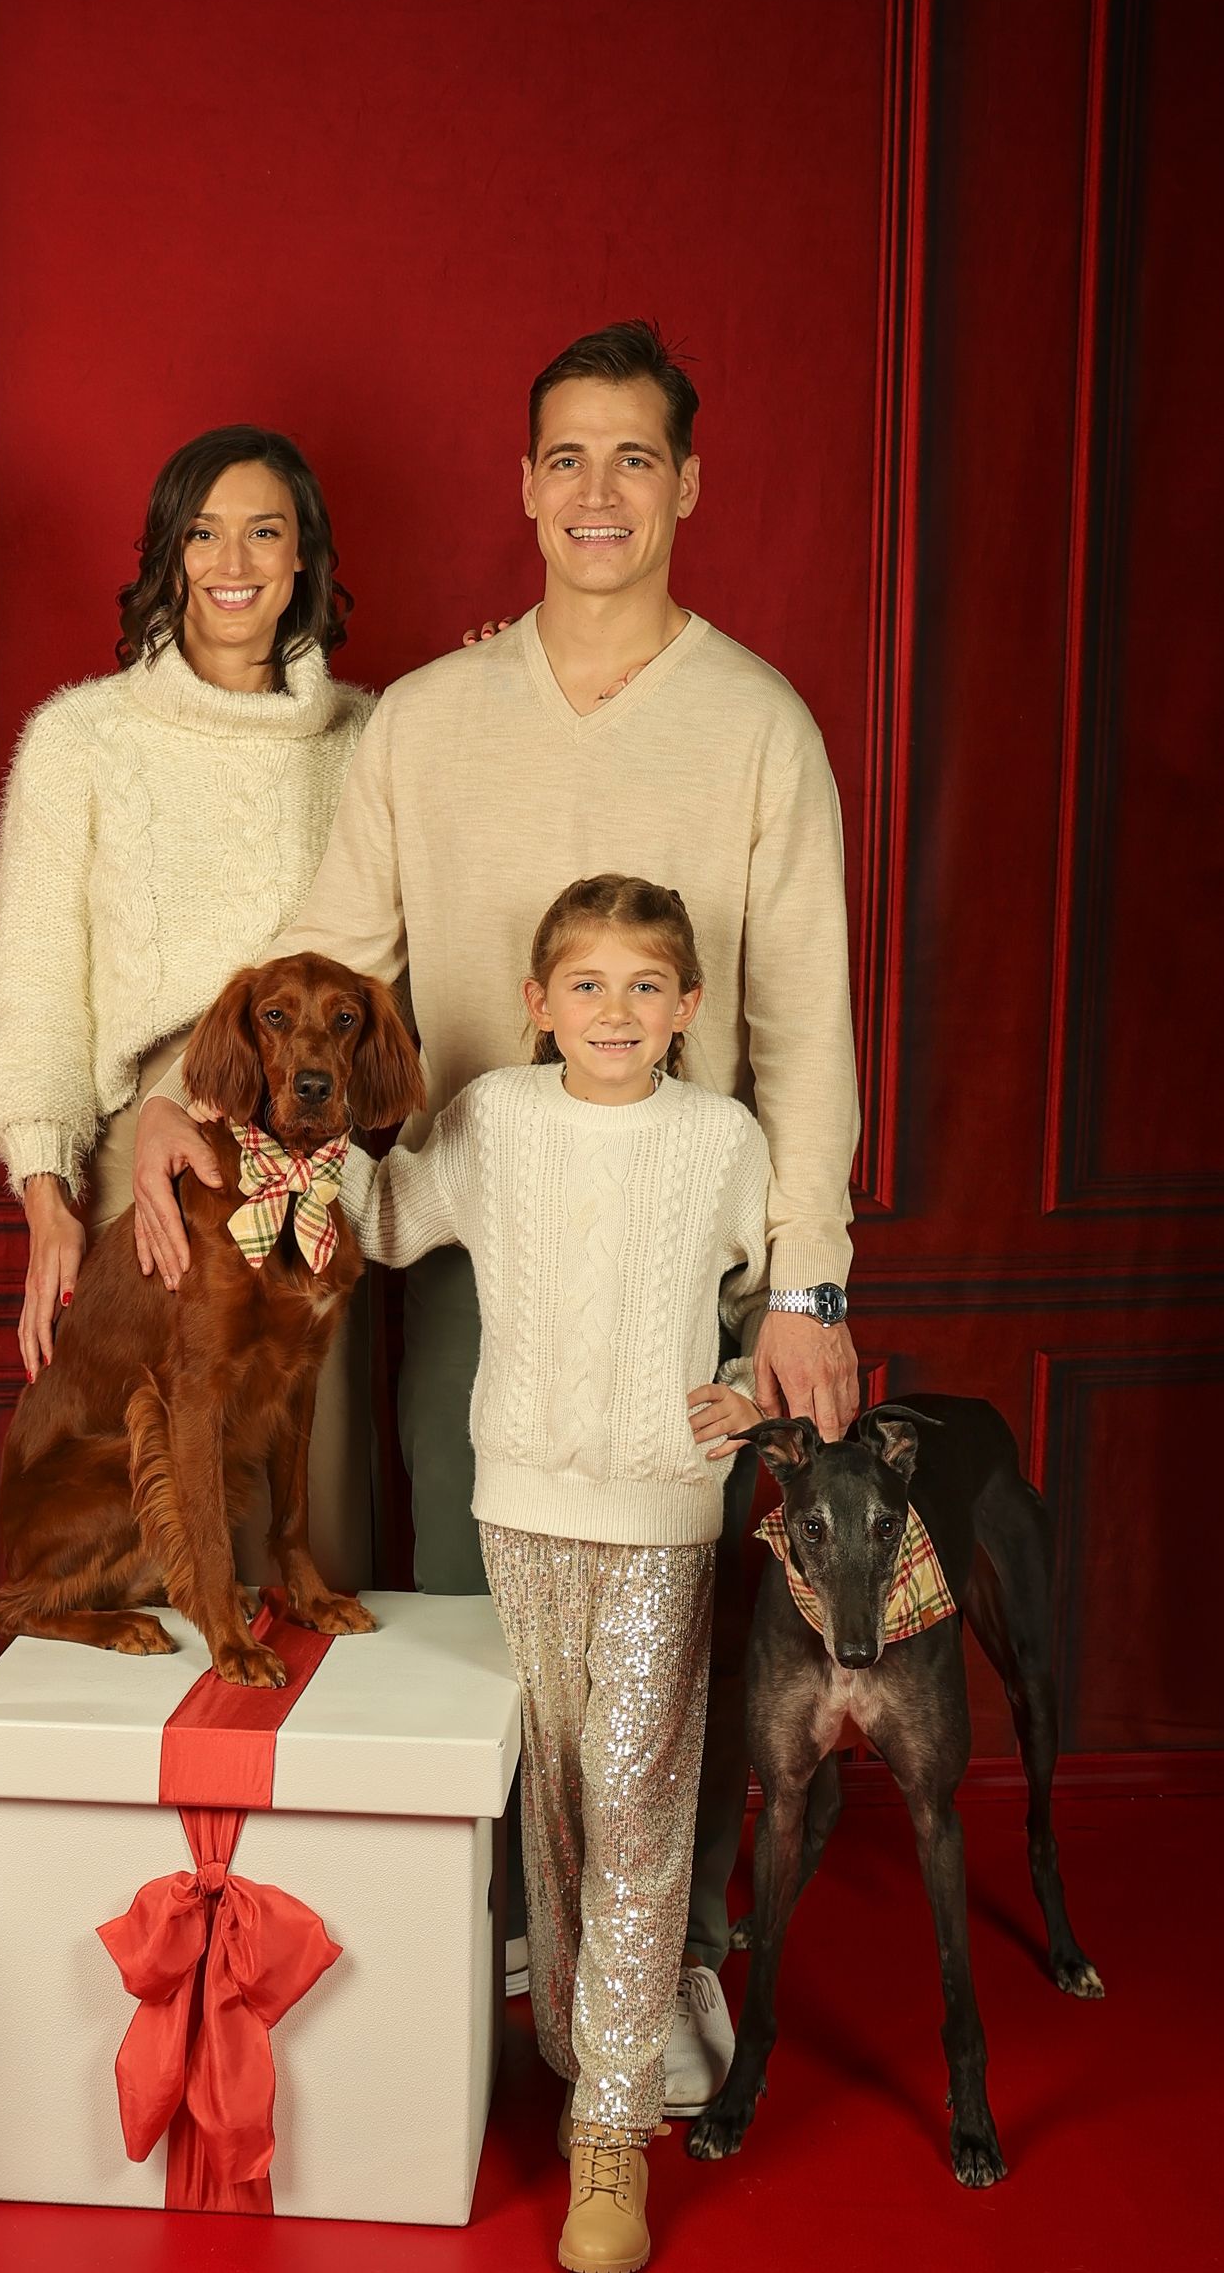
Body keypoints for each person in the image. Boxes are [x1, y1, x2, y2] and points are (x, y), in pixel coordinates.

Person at [133, 322, 862, 2090]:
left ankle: (666, 1954)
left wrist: (810, 1288)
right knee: (482, 1615)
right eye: (564, 459)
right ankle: (502, 1946)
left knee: (663, 1644)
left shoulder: (759, 723)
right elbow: (331, 938)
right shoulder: (439, 722)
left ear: (686, 485)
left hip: (688, 1258)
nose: (596, 492)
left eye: (632, 458)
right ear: (523, 489)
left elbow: (808, 1027)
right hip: (473, 1240)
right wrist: (171, 1090)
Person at [337, 874, 767, 2273]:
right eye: (586, 986)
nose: (616, 1012)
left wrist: (756, 1384)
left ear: (688, 1007)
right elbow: (387, 1220)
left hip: (661, 1512)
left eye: (647, 987)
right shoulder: (495, 1121)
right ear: (538, 1005)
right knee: (561, 1798)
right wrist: (305, 1125)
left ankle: (610, 2135)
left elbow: (777, 1297)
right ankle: (578, 2041)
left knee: (640, 1791)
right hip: (519, 1503)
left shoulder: (723, 1141)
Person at [0, 423, 376, 1583]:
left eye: (266, 531)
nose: (234, 561)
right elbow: (37, 987)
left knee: (311, 1511)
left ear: (306, 559)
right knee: (156, 1521)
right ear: (168, 554)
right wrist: (49, 1200)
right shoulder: (81, 741)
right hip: (151, 1174)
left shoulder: (365, 740)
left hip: (312, 1166)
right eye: (203, 533)